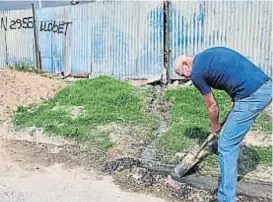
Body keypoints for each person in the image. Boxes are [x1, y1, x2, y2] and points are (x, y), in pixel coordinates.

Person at [173, 47, 272, 202]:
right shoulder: (206, 56)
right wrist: (232, 107)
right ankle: (218, 148)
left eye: (182, 74)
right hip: (262, 86)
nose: (185, 79)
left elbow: (212, 106)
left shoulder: (197, 73)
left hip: (253, 96)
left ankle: (226, 198)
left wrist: (214, 125)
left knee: (227, 145)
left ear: (187, 65)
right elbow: (233, 75)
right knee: (227, 136)